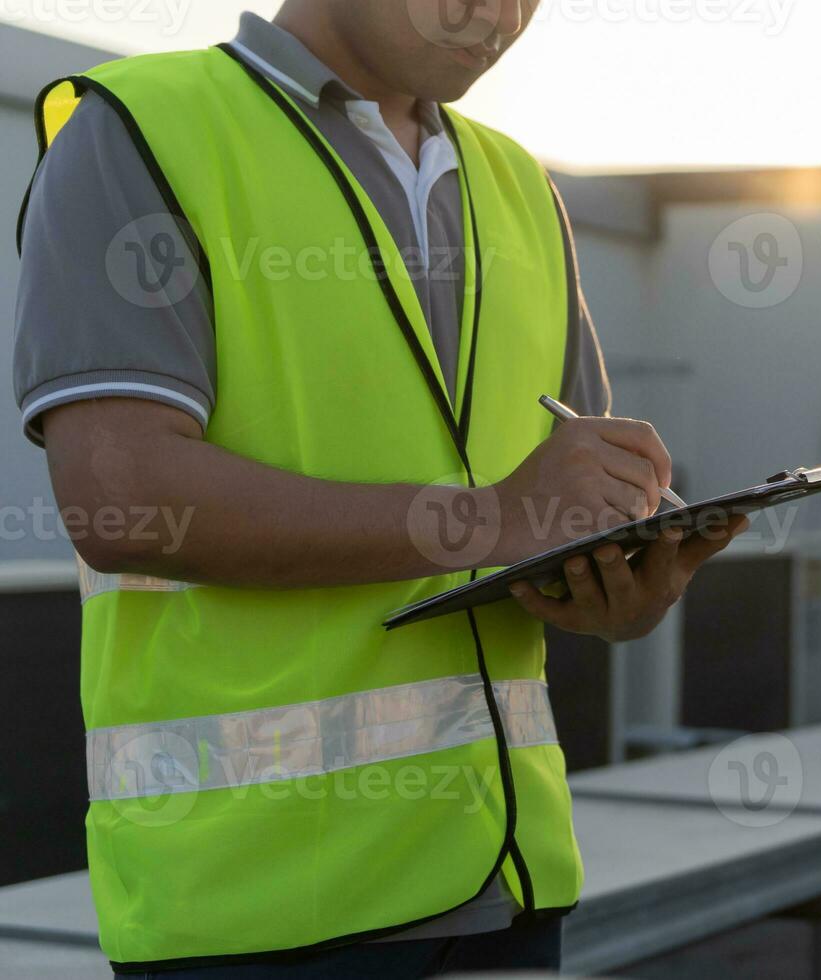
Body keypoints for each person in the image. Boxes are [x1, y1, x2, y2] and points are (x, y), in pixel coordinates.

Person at [12, 2, 743, 975]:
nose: (498, 15)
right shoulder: (141, 130)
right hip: (255, 909)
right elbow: (128, 499)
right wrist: (490, 517)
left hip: (506, 878)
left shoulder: (517, 183)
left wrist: (617, 589)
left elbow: (545, 512)